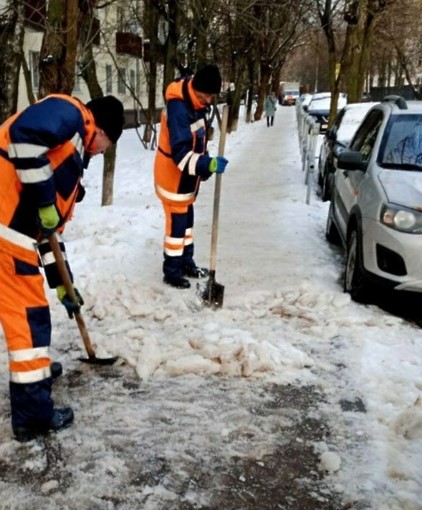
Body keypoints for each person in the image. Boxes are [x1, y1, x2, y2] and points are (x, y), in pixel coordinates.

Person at [0, 93, 125, 442]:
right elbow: (24, 137)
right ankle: (33, 416)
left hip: (14, 235)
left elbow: (48, 236)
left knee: (30, 318)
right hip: (5, 233)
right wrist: (43, 200)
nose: (100, 152)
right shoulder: (72, 115)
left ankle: (34, 379)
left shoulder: (63, 159)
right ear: (98, 129)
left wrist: (62, 284)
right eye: (106, 143)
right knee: (29, 323)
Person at [154, 64, 229, 289]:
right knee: (176, 230)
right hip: (173, 179)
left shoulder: (194, 103)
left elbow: (197, 139)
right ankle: (172, 272)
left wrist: (205, 164)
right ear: (194, 89)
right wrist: (208, 164)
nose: (208, 101)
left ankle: (186, 263)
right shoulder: (178, 108)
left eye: (211, 96)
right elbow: (182, 156)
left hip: (187, 180)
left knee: (187, 225)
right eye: (204, 96)